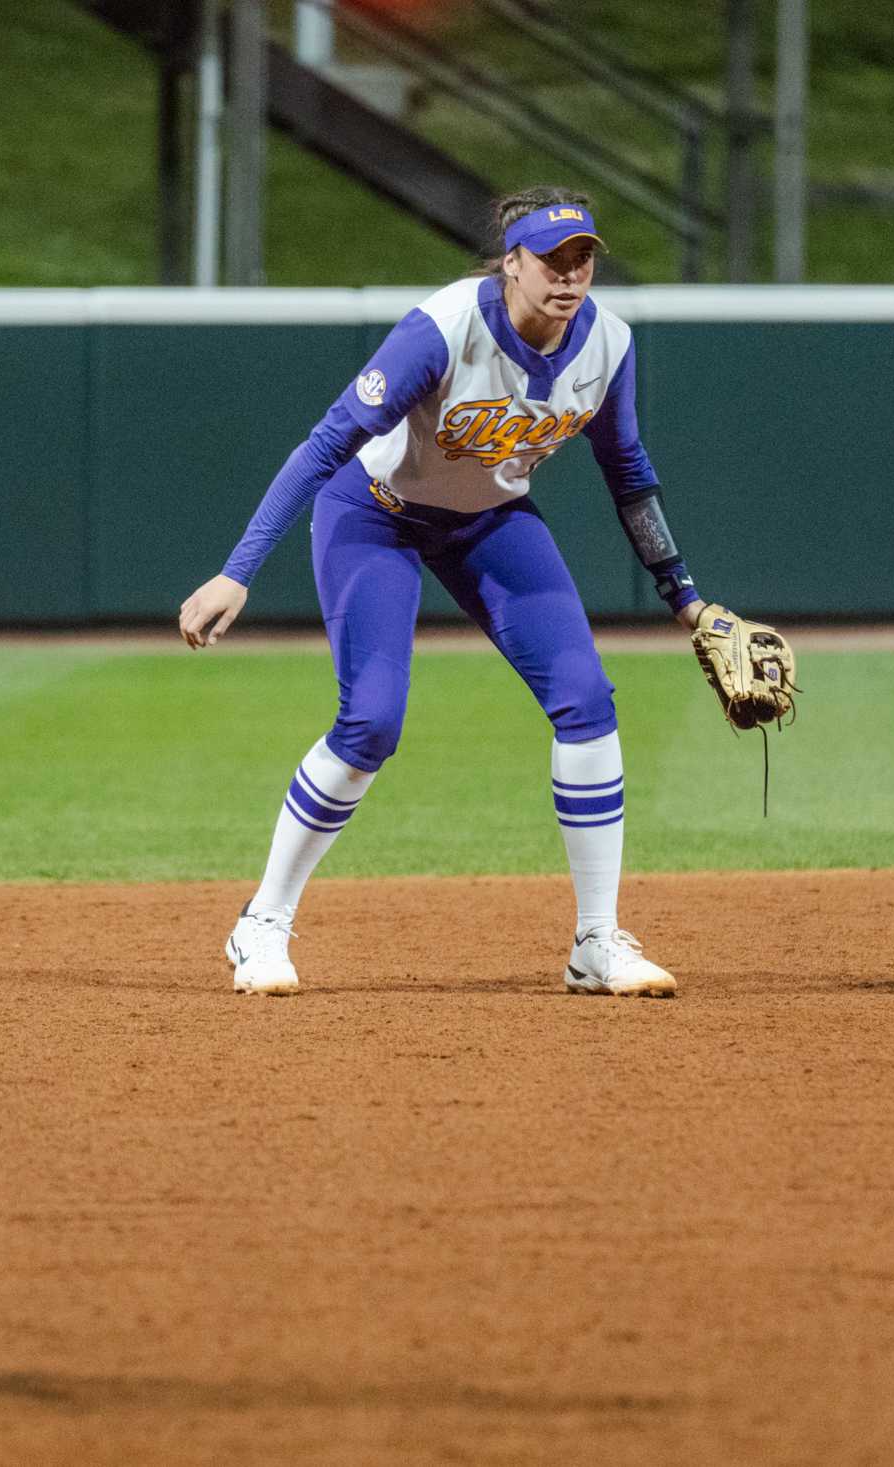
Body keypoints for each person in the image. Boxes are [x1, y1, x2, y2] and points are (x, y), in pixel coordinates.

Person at [180, 186, 742, 1001]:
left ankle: (596, 943)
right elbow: (326, 444)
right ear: (509, 264)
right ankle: (261, 922)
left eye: (582, 257)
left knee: (586, 699)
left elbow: (630, 476)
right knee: (371, 720)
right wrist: (238, 568)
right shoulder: (444, 329)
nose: (569, 274)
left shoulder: (609, 345)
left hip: (489, 520)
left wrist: (685, 597)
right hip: (374, 513)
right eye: (550, 259)